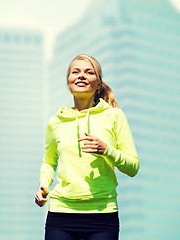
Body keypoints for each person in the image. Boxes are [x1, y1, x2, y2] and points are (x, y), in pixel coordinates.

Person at [35, 54, 139, 240]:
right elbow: (48, 161)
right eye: (75, 72)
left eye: (89, 72)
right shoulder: (55, 122)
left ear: (98, 84)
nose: (81, 75)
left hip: (103, 214)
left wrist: (107, 150)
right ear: (68, 82)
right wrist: (43, 185)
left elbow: (133, 167)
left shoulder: (114, 116)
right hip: (61, 213)